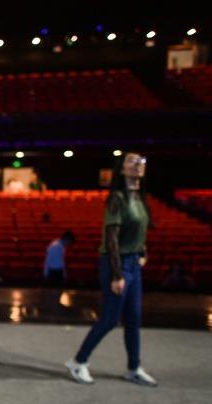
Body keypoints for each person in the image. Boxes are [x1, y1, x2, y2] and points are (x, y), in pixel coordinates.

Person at [65, 152, 158, 387]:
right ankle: (78, 362)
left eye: (141, 161)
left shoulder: (140, 197)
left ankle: (134, 368)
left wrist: (142, 252)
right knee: (109, 319)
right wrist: (117, 274)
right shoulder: (117, 198)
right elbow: (112, 237)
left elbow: (138, 231)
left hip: (133, 263)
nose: (138, 164)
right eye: (131, 161)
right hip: (117, 263)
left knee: (133, 319)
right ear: (122, 169)